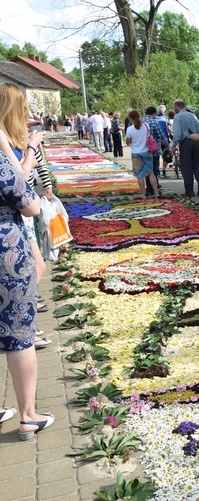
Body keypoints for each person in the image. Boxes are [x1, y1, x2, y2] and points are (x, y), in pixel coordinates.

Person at [0, 150, 55, 441]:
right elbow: (30, 205)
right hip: (5, 253)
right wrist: (26, 155)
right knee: (18, 333)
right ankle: (29, 416)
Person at [171, 99, 199, 197]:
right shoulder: (192, 115)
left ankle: (189, 190)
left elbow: (178, 134)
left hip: (185, 142)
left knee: (186, 167)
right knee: (196, 164)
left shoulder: (178, 117)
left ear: (177, 106)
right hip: (195, 141)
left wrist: (174, 144)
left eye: (174, 107)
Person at [125, 110, 160, 199]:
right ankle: (156, 193)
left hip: (136, 154)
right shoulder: (146, 125)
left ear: (130, 119)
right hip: (147, 152)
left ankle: (143, 194)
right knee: (151, 173)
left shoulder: (130, 129)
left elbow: (128, 142)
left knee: (140, 175)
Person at [142, 106, 167, 197]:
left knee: (146, 170)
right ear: (153, 113)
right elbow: (162, 136)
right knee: (153, 171)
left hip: (142, 150)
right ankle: (152, 189)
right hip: (154, 151)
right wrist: (168, 148)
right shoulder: (154, 122)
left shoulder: (140, 122)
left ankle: (148, 188)